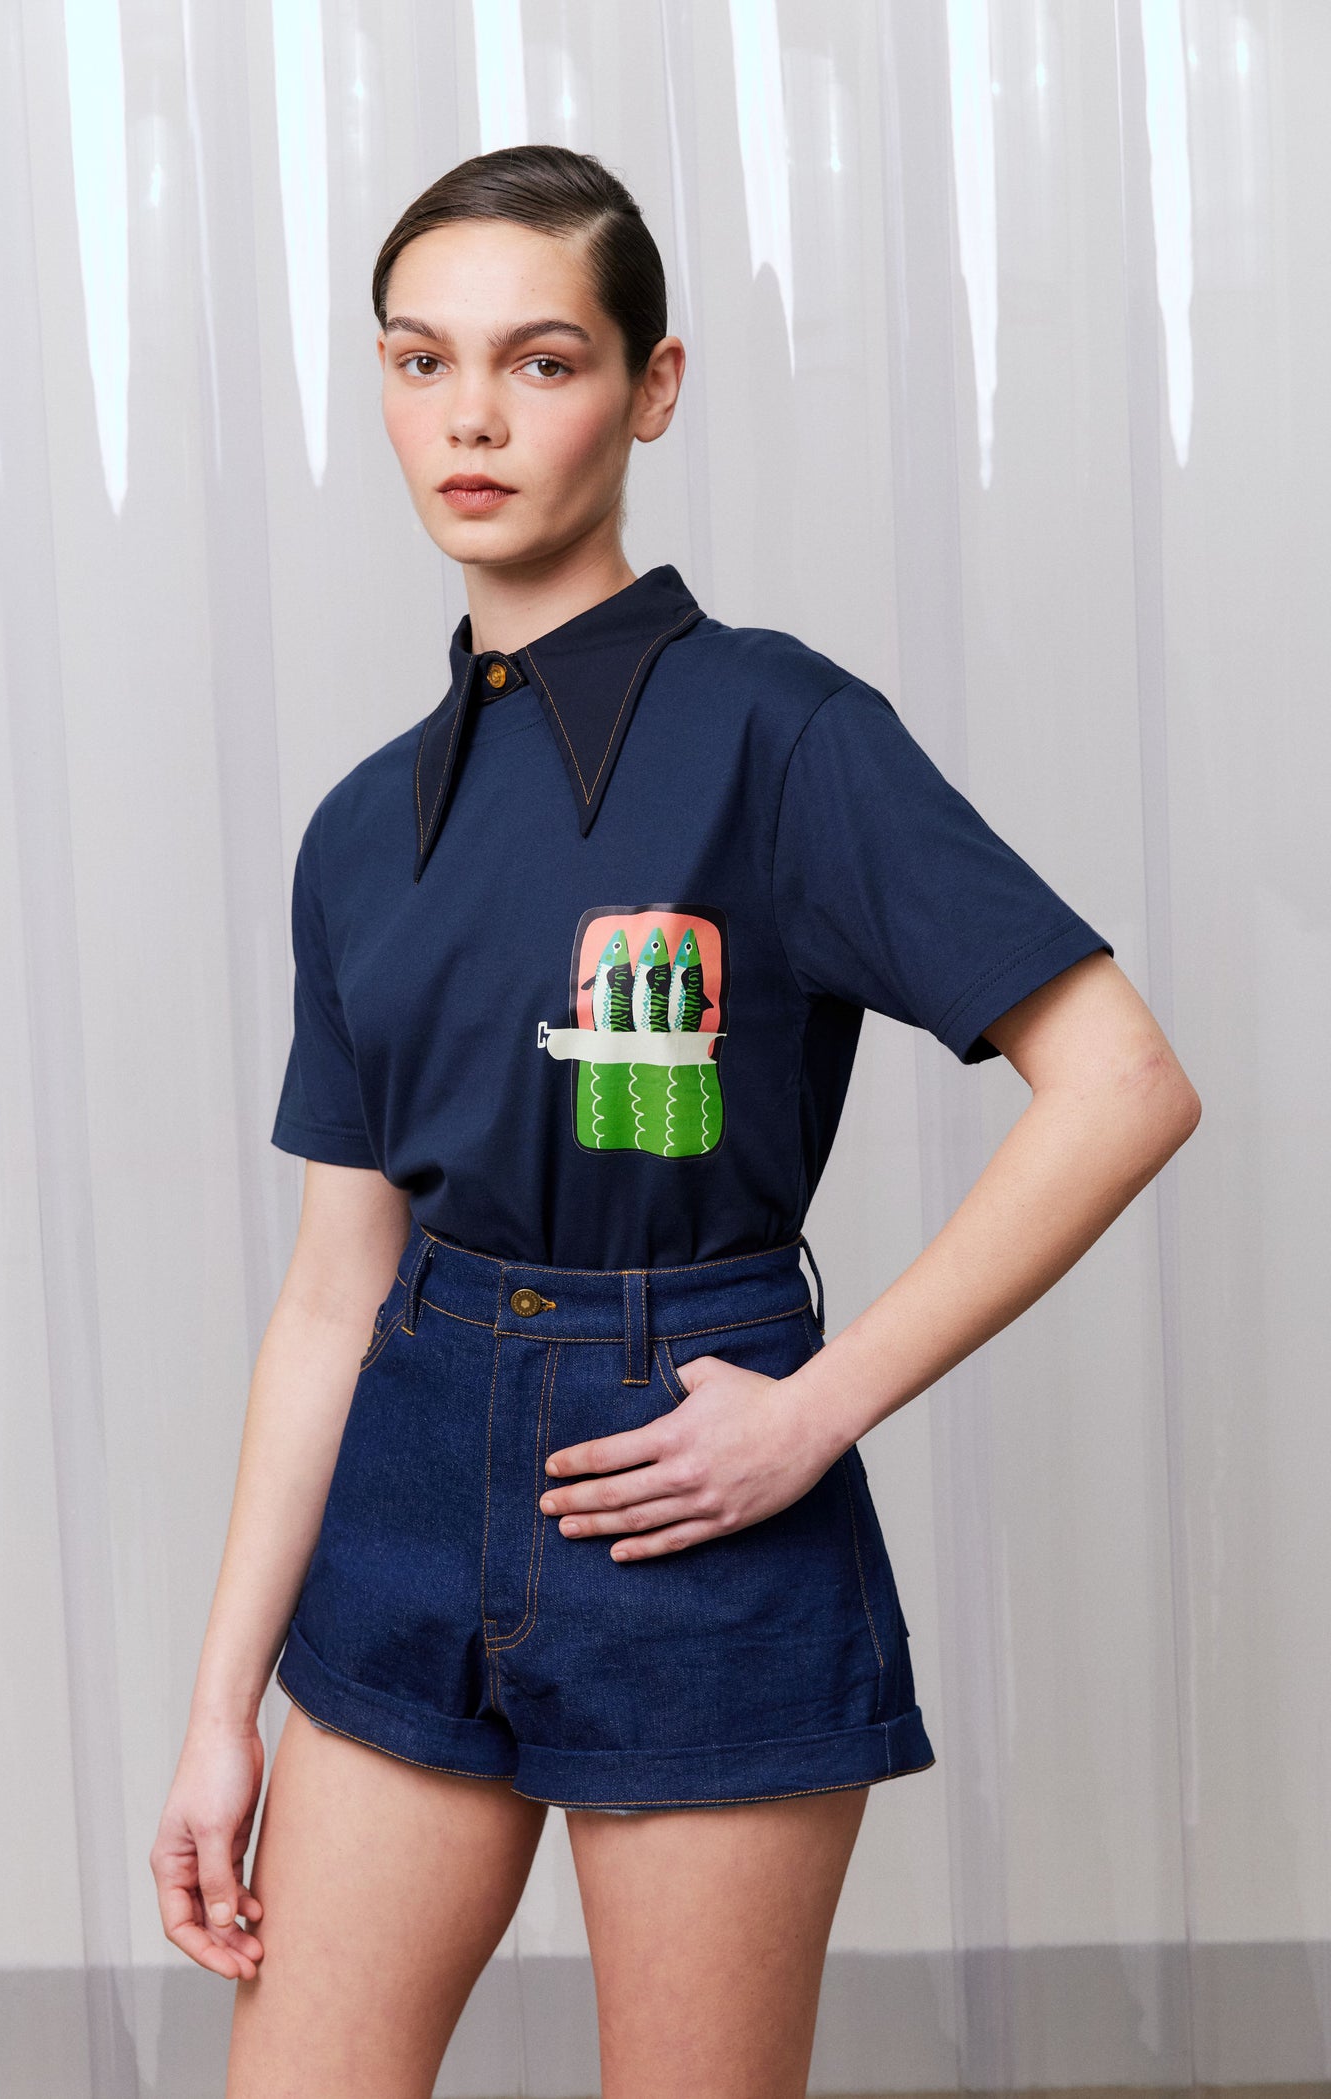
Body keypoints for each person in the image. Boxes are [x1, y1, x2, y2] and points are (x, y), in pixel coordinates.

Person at [150, 144, 1201, 2099]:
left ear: (651, 388)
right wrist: (221, 1714)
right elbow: (329, 1299)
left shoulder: (781, 734)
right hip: (407, 1485)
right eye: (418, 359)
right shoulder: (364, 829)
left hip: (692, 1483)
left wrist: (815, 1405)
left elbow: (1123, 1082)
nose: (468, 415)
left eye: (541, 362)